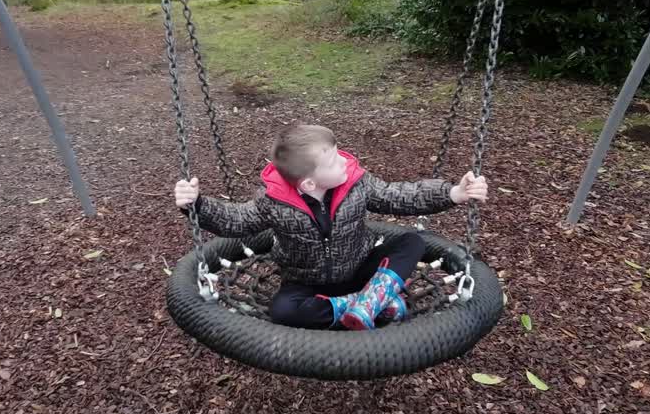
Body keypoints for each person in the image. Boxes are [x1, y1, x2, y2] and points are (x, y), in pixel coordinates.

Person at [174, 124, 488, 330]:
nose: (346, 162)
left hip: (359, 268)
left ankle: (371, 299)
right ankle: (359, 307)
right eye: (335, 161)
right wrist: (196, 205)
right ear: (309, 182)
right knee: (282, 312)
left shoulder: (357, 184)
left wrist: (452, 193)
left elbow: (400, 196)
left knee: (413, 242)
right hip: (305, 282)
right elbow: (236, 220)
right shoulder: (274, 202)